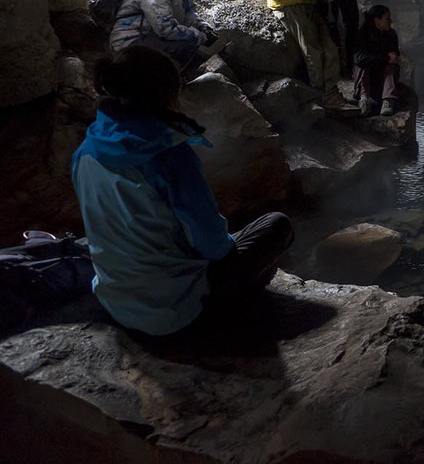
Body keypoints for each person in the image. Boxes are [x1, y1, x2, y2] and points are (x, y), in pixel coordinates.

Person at [71, 46, 294, 336]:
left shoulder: (84, 152)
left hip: (115, 302)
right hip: (175, 312)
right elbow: (211, 243)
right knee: (277, 224)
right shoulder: (167, 154)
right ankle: (229, 309)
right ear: (164, 95)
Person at [354, 4, 401, 116]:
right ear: (377, 20)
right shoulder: (363, 34)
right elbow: (360, 59)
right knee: (362, 66)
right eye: (387, 18)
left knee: (392, 67)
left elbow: (394, 58)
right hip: (367, 80)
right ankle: (364, 100)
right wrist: (384, 58)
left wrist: (379, 59)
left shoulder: (391, 35)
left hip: (382, 79)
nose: (390, 21)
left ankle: (388, 101)